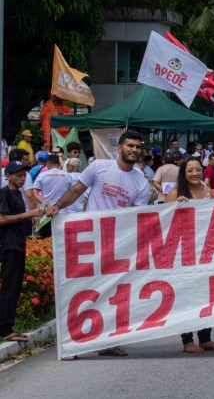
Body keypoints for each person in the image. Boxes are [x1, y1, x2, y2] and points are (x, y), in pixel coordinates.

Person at [46, 130, 150, 357]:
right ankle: (72, 345)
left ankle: (108, 341)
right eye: (130, 145)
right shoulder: (99, 167)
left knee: (113, 293)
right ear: (120, 147)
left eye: (138, 147)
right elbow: (75, 191)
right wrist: (57, 206)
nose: (134, 150)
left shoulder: (141, 183)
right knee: (79, 290)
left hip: (116, 245)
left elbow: (136, 218)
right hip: (88, 242)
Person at [166, 157, 214, 353]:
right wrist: (176, 207)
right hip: (184, 253)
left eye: (197, 170)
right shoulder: (175, 193)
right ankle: (187, 340)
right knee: (186, 295)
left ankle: (205, 337)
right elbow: (163, 221)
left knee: (207, 295)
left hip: (207, 251)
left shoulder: (210, 192)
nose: (194, 174)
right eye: (190, 170)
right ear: (183, 173)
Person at [0, 160, 44, 343]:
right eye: (18, 175)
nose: (22, 177)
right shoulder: (5, 193)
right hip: (9, 245)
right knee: (10, 287)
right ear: (8, 176)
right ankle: (4, 329)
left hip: (18, 243)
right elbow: (2, 219)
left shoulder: (17, 193)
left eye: (24, 174)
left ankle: (8, 326)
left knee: (15, 286)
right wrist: (28, 214)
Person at [32, 154, 72, 238]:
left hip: (46, 213)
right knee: (61, 240)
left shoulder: (42, 175)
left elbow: (35, 194)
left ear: (47, 164)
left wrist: (46, 204)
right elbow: (72, 193)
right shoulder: (68, 175)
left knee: (44, 241)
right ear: (58, 164)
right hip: (62, 212)